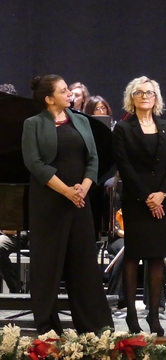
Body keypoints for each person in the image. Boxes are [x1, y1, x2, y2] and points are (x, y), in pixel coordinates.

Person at [21, 74, 113, 334]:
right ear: (49, 99)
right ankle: (47, 328)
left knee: (83, 264)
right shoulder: (33, 124)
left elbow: (93, 159)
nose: (69, 94)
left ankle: (94, 328)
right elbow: (35, 163)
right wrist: (66, 191)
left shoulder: (82, 121)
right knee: (48, 264)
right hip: (49, 201)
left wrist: (82, 189)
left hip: (79, 201)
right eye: (63, 91)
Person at [112, 76, 166, 336]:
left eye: (149, 92)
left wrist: (161, 194)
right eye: (139, 92)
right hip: (137, 201)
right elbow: (125, 167)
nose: (144, 96)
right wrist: (147, 198)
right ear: (132, 97)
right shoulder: (123, 129)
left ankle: (154, 316)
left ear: (156, 98)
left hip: (162, 201)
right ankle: (131, 314)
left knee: (156, 257)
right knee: (133, 255)